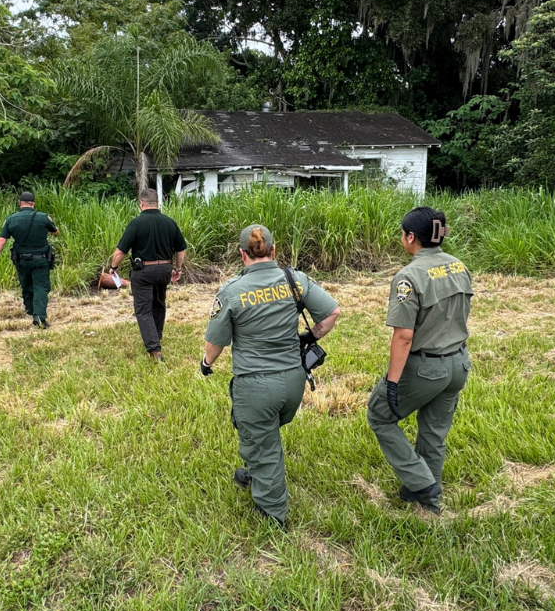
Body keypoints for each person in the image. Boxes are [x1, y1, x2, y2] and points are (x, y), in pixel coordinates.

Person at [201, 224, 341, 527]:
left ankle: (272, 514)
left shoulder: (232, 291)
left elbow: (215, 343)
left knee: (261, 440)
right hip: (294, 382)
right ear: (274, 251)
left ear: (242, 255)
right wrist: (310, 337)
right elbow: (332, 313)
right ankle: (259, 473)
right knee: (263, 434)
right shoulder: (295, 280)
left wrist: (206, 362)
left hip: (256, 385)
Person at [366, 206, 473, 516]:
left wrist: (392, 382)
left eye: (403, 234)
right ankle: (428, 499)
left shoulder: (408, 277)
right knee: (433, 431)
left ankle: (422, 482)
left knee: (380, 415)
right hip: (458, 363)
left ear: (411, 237)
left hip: (426, 366)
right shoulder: (458, 266)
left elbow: (403, 336)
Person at [110, 189, 187, 362]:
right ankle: (156, 336)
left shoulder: (136, 223)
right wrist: (178, 268)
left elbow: (120, 251)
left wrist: (113, 267)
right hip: (165, 270)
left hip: (143, 272)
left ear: (141, 203)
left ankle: (154, 349)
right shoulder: (169, 222)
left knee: (143, 309)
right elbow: (181, 248)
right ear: (157, 203)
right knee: (159, 304)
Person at [0, 191, 59, 329]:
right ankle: (39, 318)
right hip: (40, 259)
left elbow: (2, 240)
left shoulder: (11, 219)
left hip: (21, 260)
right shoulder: (43, 217)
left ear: (20, 203)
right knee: (40, 286)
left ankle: (30, 309)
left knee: (26, 283)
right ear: (33, 203)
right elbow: (55, 232)